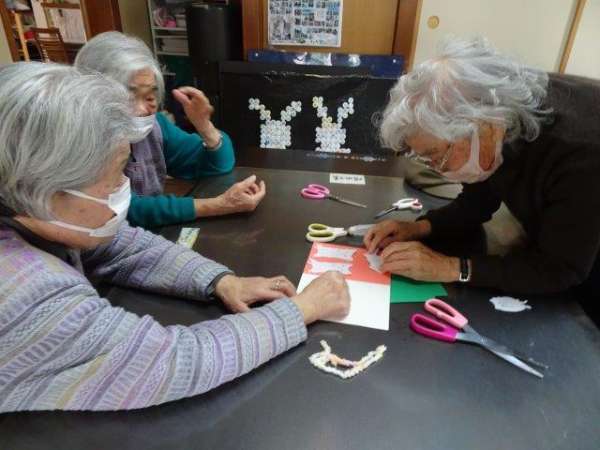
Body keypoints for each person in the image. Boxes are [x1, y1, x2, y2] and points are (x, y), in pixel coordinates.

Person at [0, 62, 350, 412]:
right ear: (49, 190)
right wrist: (302, 308)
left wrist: (222, 281)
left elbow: (123, 246)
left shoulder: (36, 216)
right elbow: (170, 361)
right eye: (116, 174)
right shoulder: (23, 291)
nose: (125, 186)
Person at [365, 37, 600, 302]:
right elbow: (477, 202)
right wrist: (418, 228)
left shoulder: (581, 154)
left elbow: (561, 268)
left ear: (483, 127)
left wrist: (450, 267)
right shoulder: (494, 114)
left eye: (436, 156)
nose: (437, 170)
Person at [74, 31, 265, 228]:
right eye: (129, 98)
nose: (142, 110)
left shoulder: (155, 126)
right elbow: (123, 209)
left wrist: (204, 126)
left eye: (150, 97)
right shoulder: (79, 139)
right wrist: (215, 206)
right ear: (91, 95)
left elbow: (219, 164)